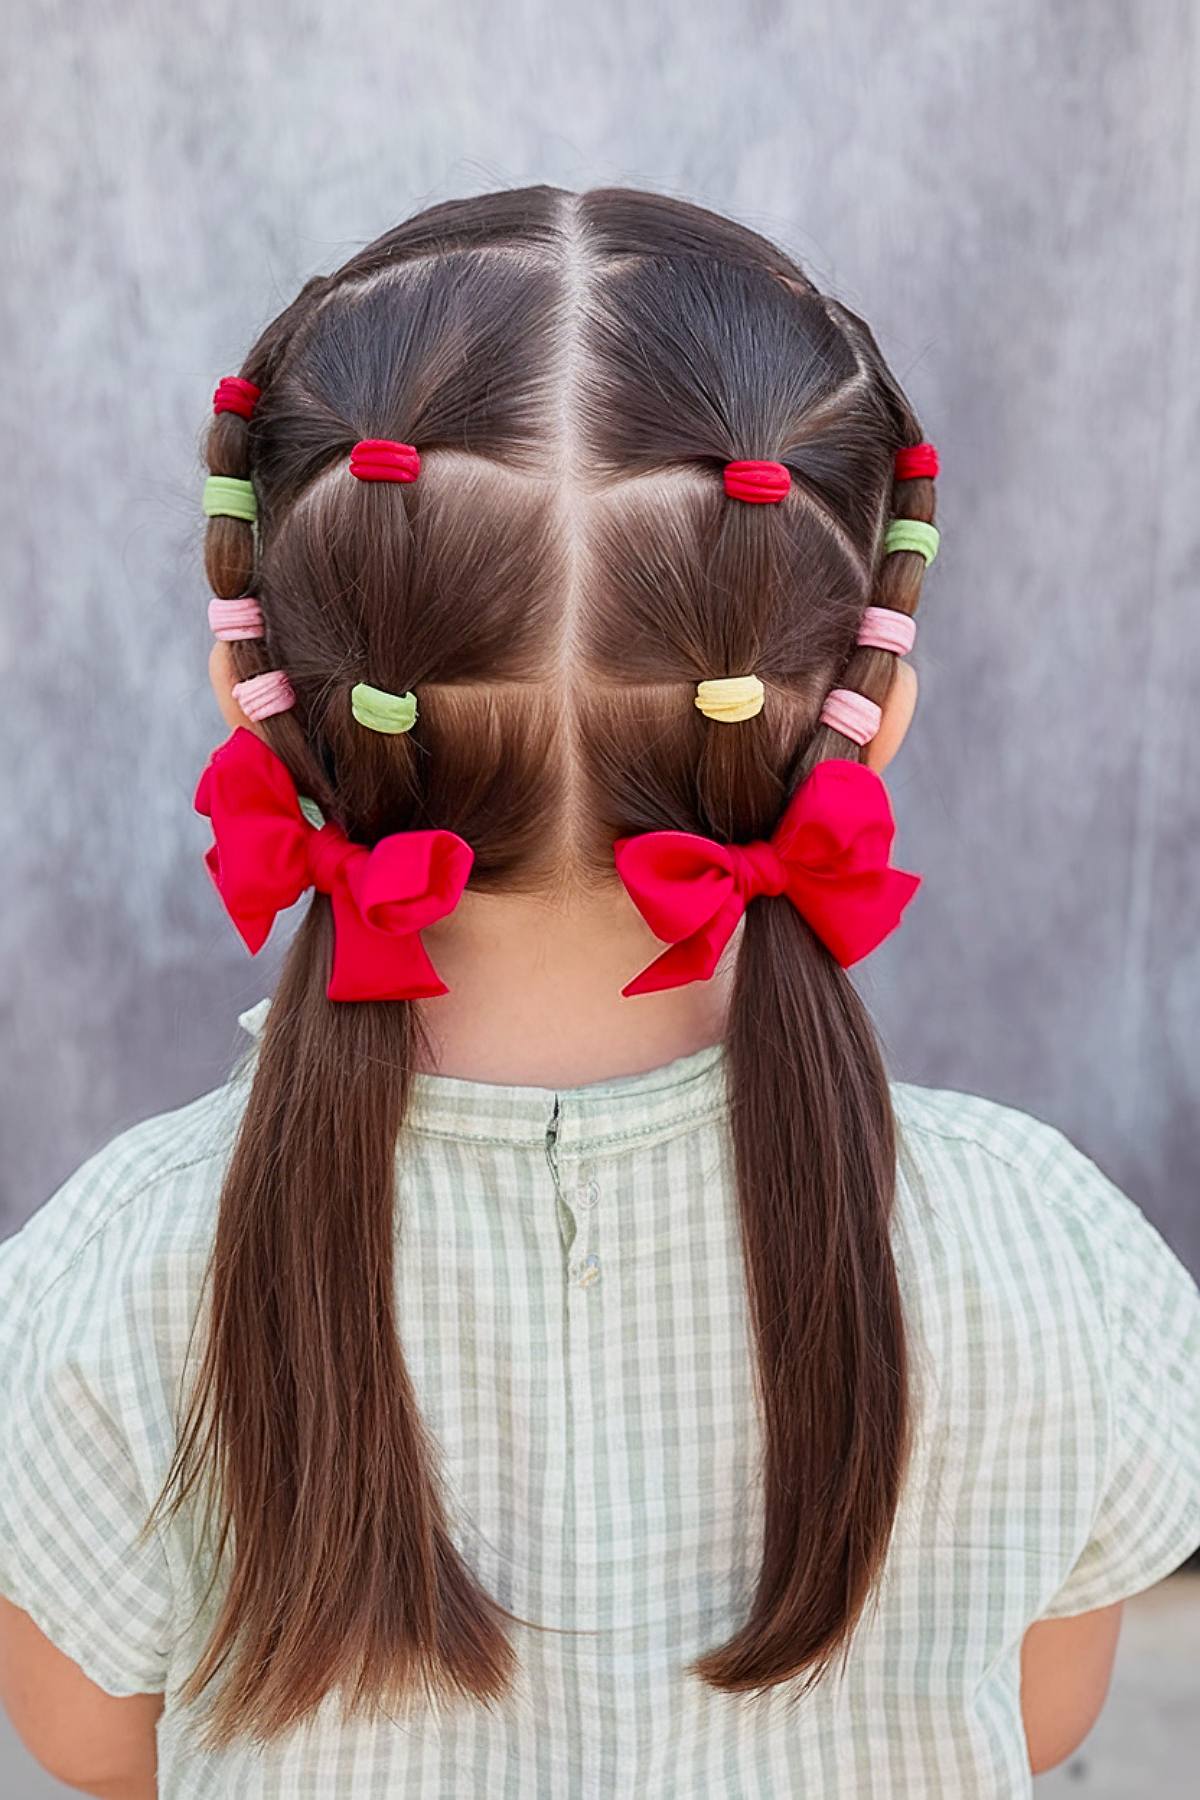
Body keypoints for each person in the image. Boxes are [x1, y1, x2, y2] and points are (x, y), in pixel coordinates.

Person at [1, 186, 1197, 1800]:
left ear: (254, 699)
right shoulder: (1046, 1252)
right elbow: (1039, 1718)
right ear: (874, 711)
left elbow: (93, 1749)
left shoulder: (108, 1281)